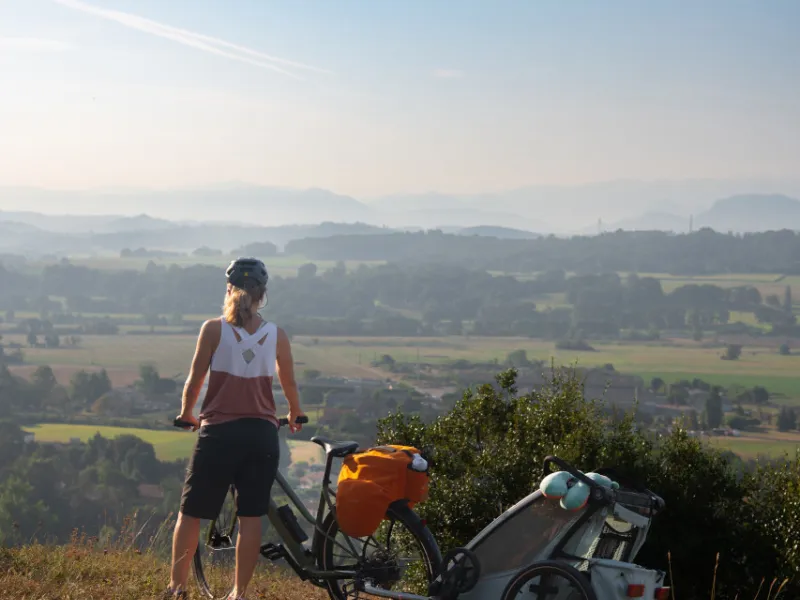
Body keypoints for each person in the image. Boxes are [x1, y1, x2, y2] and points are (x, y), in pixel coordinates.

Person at [164, 257, 306, 600]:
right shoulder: (276, 335)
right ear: (263, 294)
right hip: (261, 435)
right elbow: (288, 384)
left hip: (219, 434)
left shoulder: (213, 329)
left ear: (229, 289)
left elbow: (195, 379)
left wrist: (187, 413)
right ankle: (239, 594)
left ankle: (177, 589)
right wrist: (295, 414)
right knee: (252, 515)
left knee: (192, 513)